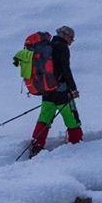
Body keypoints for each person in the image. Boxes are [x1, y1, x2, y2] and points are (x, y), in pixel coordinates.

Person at [28, 26, 82, 157]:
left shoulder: (47, 47)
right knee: (71, 118)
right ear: (66, 35)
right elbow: (65, 69)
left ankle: (36, 145)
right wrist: (73, 88)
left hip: (47, 89)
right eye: (71, 39)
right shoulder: (62, 48)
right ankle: (76, 144)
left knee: (45, 117)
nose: (71, 42)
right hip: (62, 90)